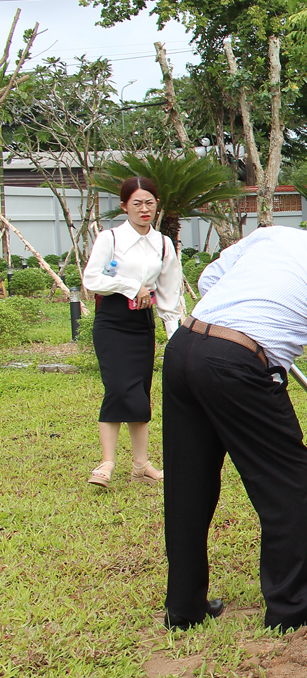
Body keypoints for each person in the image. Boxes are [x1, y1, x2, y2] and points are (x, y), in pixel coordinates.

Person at [161, 202, 307, 632]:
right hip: (237, 366)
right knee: (289, 478)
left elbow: (210, 277)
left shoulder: (277, 235)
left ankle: (184, 608)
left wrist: (249, 322)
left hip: (184, 347)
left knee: (188, 481)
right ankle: (290, 611)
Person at [82, 176, 184, 489]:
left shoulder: (164, 244)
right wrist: (131, 286)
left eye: (149, 203)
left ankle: (141, 465)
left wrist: (176, 337)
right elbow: (91, 278)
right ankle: (107, 462)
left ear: (157, 206)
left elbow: (168, 295)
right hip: (111, 322)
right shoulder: (110, 239)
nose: (144, 209)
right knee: (117, 387)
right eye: (136, 203)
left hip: (142, 324)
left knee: (140, 391)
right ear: (124, 206)